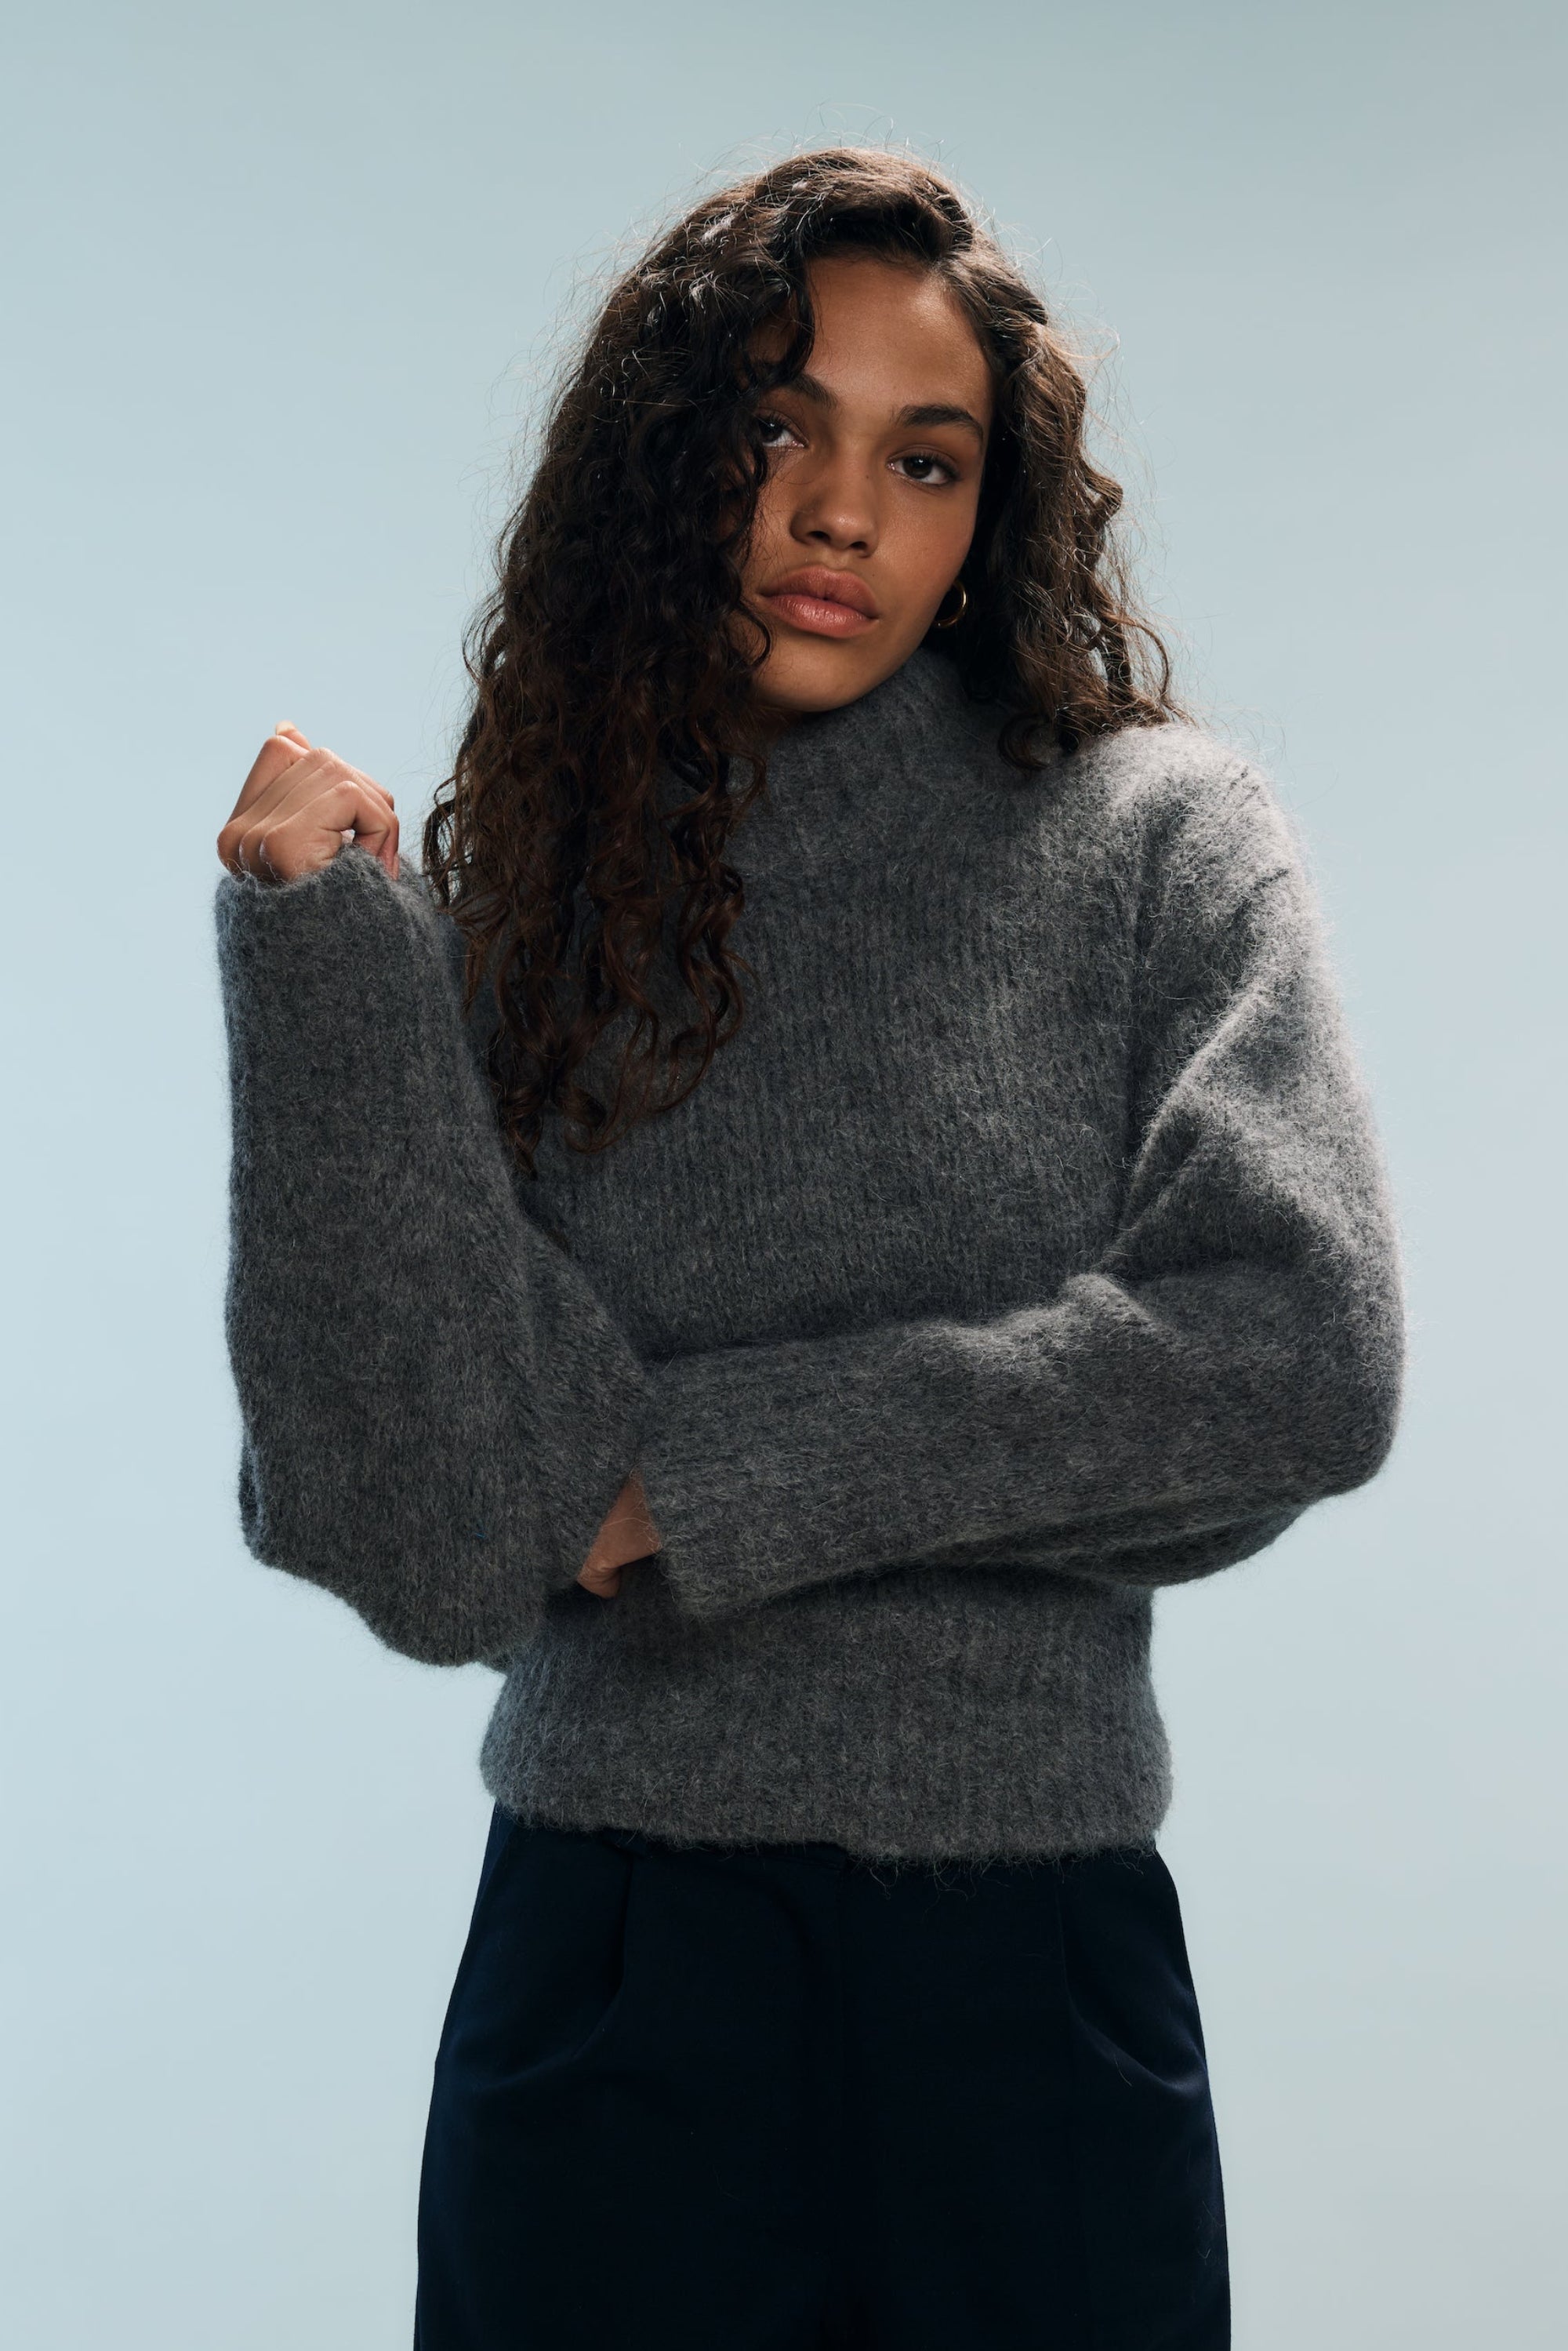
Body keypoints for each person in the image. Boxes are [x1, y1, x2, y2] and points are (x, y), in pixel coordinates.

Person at [213, 147, 1404, 2350]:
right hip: (610, 1973)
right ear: (664, 461)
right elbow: (426, 1536)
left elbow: (1289, 1353)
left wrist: (695, 1480)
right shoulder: (542, 900)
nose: (845, 512)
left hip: (1033, 1982)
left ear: (988, 515)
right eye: (779, 428)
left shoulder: (1156, 841)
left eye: (924, 460)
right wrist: (319, 965)